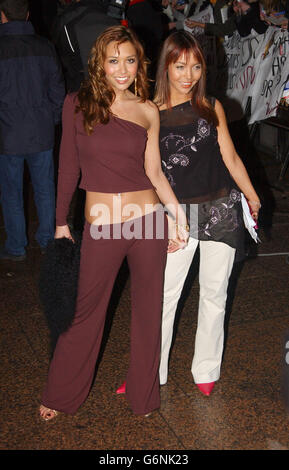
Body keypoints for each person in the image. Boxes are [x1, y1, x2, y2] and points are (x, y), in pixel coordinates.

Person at [39, 25, 188, 421]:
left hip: (148, 223)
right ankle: (61, 393)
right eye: (113, 61)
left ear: (139, 65)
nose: (121, 69)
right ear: (99, 64)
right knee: (85, 312)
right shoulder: (77, 104)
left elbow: (154, 173)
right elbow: (67, 169)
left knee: (148, 312)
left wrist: (177, 216)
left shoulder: (147, 110)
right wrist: (59, 222)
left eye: (129, 61)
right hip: (102, 225)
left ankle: (143, 396)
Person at [154, 30, 261, 395]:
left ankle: (206, 370)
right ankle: (151, 373)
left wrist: (251, 195)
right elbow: (149, 173)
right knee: (164, 296)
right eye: (180, 66)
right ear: (166, 66)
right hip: (175, 215)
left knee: (215, 294)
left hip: (221, 210)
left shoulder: (211, 106)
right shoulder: (150, 113)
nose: (188, 75)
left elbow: (230, 157)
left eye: (196, 67)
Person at [0, 0, 65, 261]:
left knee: (11, 191)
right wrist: (50, 119)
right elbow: (58, 90)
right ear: (27, 15)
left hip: (7, 135)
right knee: (45, 188)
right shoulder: (44, 47)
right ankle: (47, 240)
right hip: (41, 132)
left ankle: (16, 246)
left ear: (2, 16)